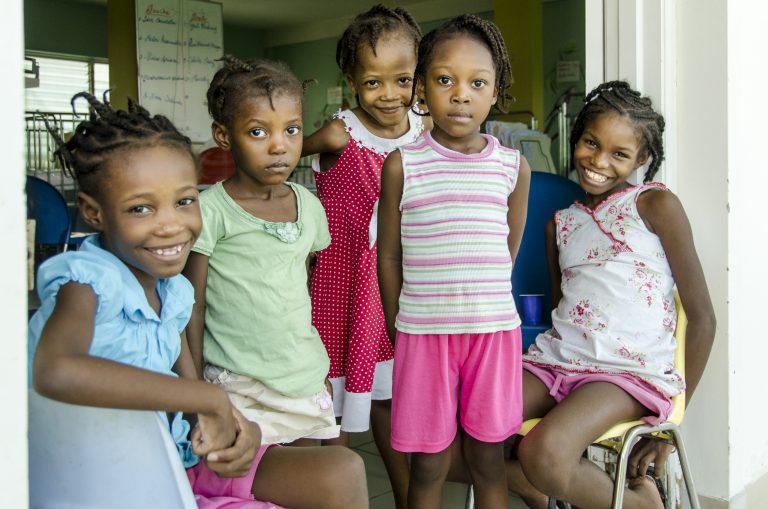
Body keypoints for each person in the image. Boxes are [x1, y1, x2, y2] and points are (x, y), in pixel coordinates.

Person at [28, 92, 368, 509]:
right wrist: (207, 400)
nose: (171, 225)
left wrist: (240, 434)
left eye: (184, 201)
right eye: (140, 209)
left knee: (341, 469)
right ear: (93, 212)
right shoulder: (87, 283)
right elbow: (56, 370)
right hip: (109, 477)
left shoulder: (173, 292)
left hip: (179, 460)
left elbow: (192, 395)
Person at [505, 81, 716, 509]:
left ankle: (642, 503)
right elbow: (562, 308)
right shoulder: (559, 224)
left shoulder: (655, 206)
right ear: (577, 136)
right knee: (465, 426)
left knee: (540, 453)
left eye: (619, 154)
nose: (598, 162)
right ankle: (534, 486)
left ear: (642, 159)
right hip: (557, 360)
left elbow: (703, 318)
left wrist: (670, 424)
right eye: (590, 143)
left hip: (624, 373)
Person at [378, 14, 531, 508]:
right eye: (445, 80)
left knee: (488, 460)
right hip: (424, 335)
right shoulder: (404, 164)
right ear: (422, 87)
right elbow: (389, 254)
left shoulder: (513, 167)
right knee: (428, 464)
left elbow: (508, 247)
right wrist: (398, 325)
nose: (460, 94)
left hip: (491, 334)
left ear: (495, 91)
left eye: (477, 83)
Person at [301, 5, 425, 506]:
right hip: (343, 287)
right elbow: (280, 160)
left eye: (403, 80)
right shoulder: (338, 133)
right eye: (374, 82)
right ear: (351, 80)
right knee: (333, 410)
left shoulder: (426, 132)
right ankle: (329, 495)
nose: (390, 94)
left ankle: (407, 500)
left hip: (401, 288)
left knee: (390, 405)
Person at [184, 57, 340, 447]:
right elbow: (192, 305)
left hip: (302, 378)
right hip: (237, 385)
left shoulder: (309, 205)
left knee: (311, 482)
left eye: (292, 130)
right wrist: (196, 389)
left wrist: (317, 367)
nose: (279, 146)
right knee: (252, 492)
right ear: (223, 135)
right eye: (257, 132)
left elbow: (302, 290)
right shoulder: (211, 211)